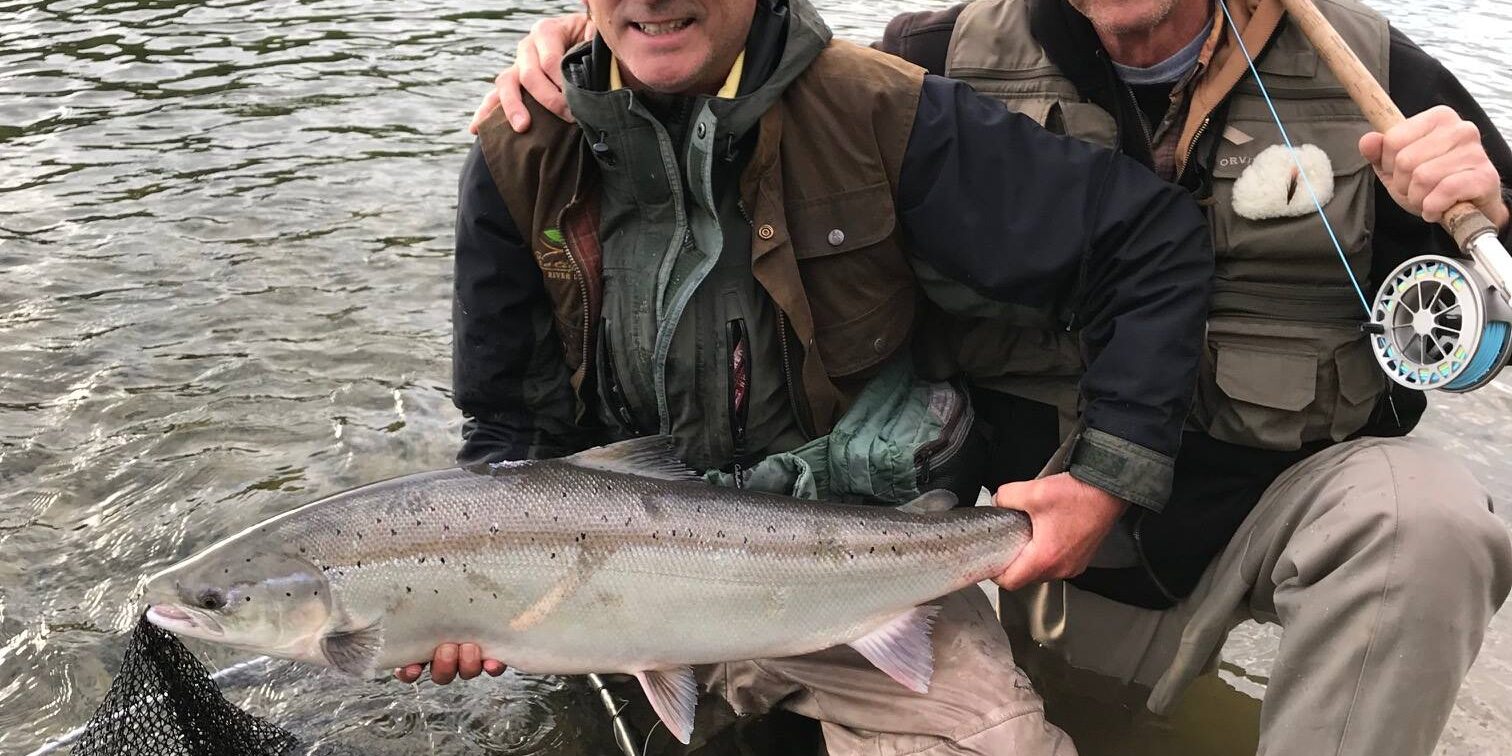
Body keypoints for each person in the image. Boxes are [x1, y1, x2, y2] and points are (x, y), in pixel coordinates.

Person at [479, 1, 1512, 754]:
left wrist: (1495, 212)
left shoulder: (1384, 77)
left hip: (1258, 528)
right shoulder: (933, 61)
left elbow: (1495, 310)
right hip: (1037, 567)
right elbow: (744, 73)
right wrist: (593, 46)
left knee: (1425, 520)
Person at [402, 0, 1220, 752]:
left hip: (866, 579)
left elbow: (1149, 239)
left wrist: (1105, 478)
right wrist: (461, 596)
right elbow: (506, 431)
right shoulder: (521, 149)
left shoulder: (882, 113)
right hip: (612, 603)